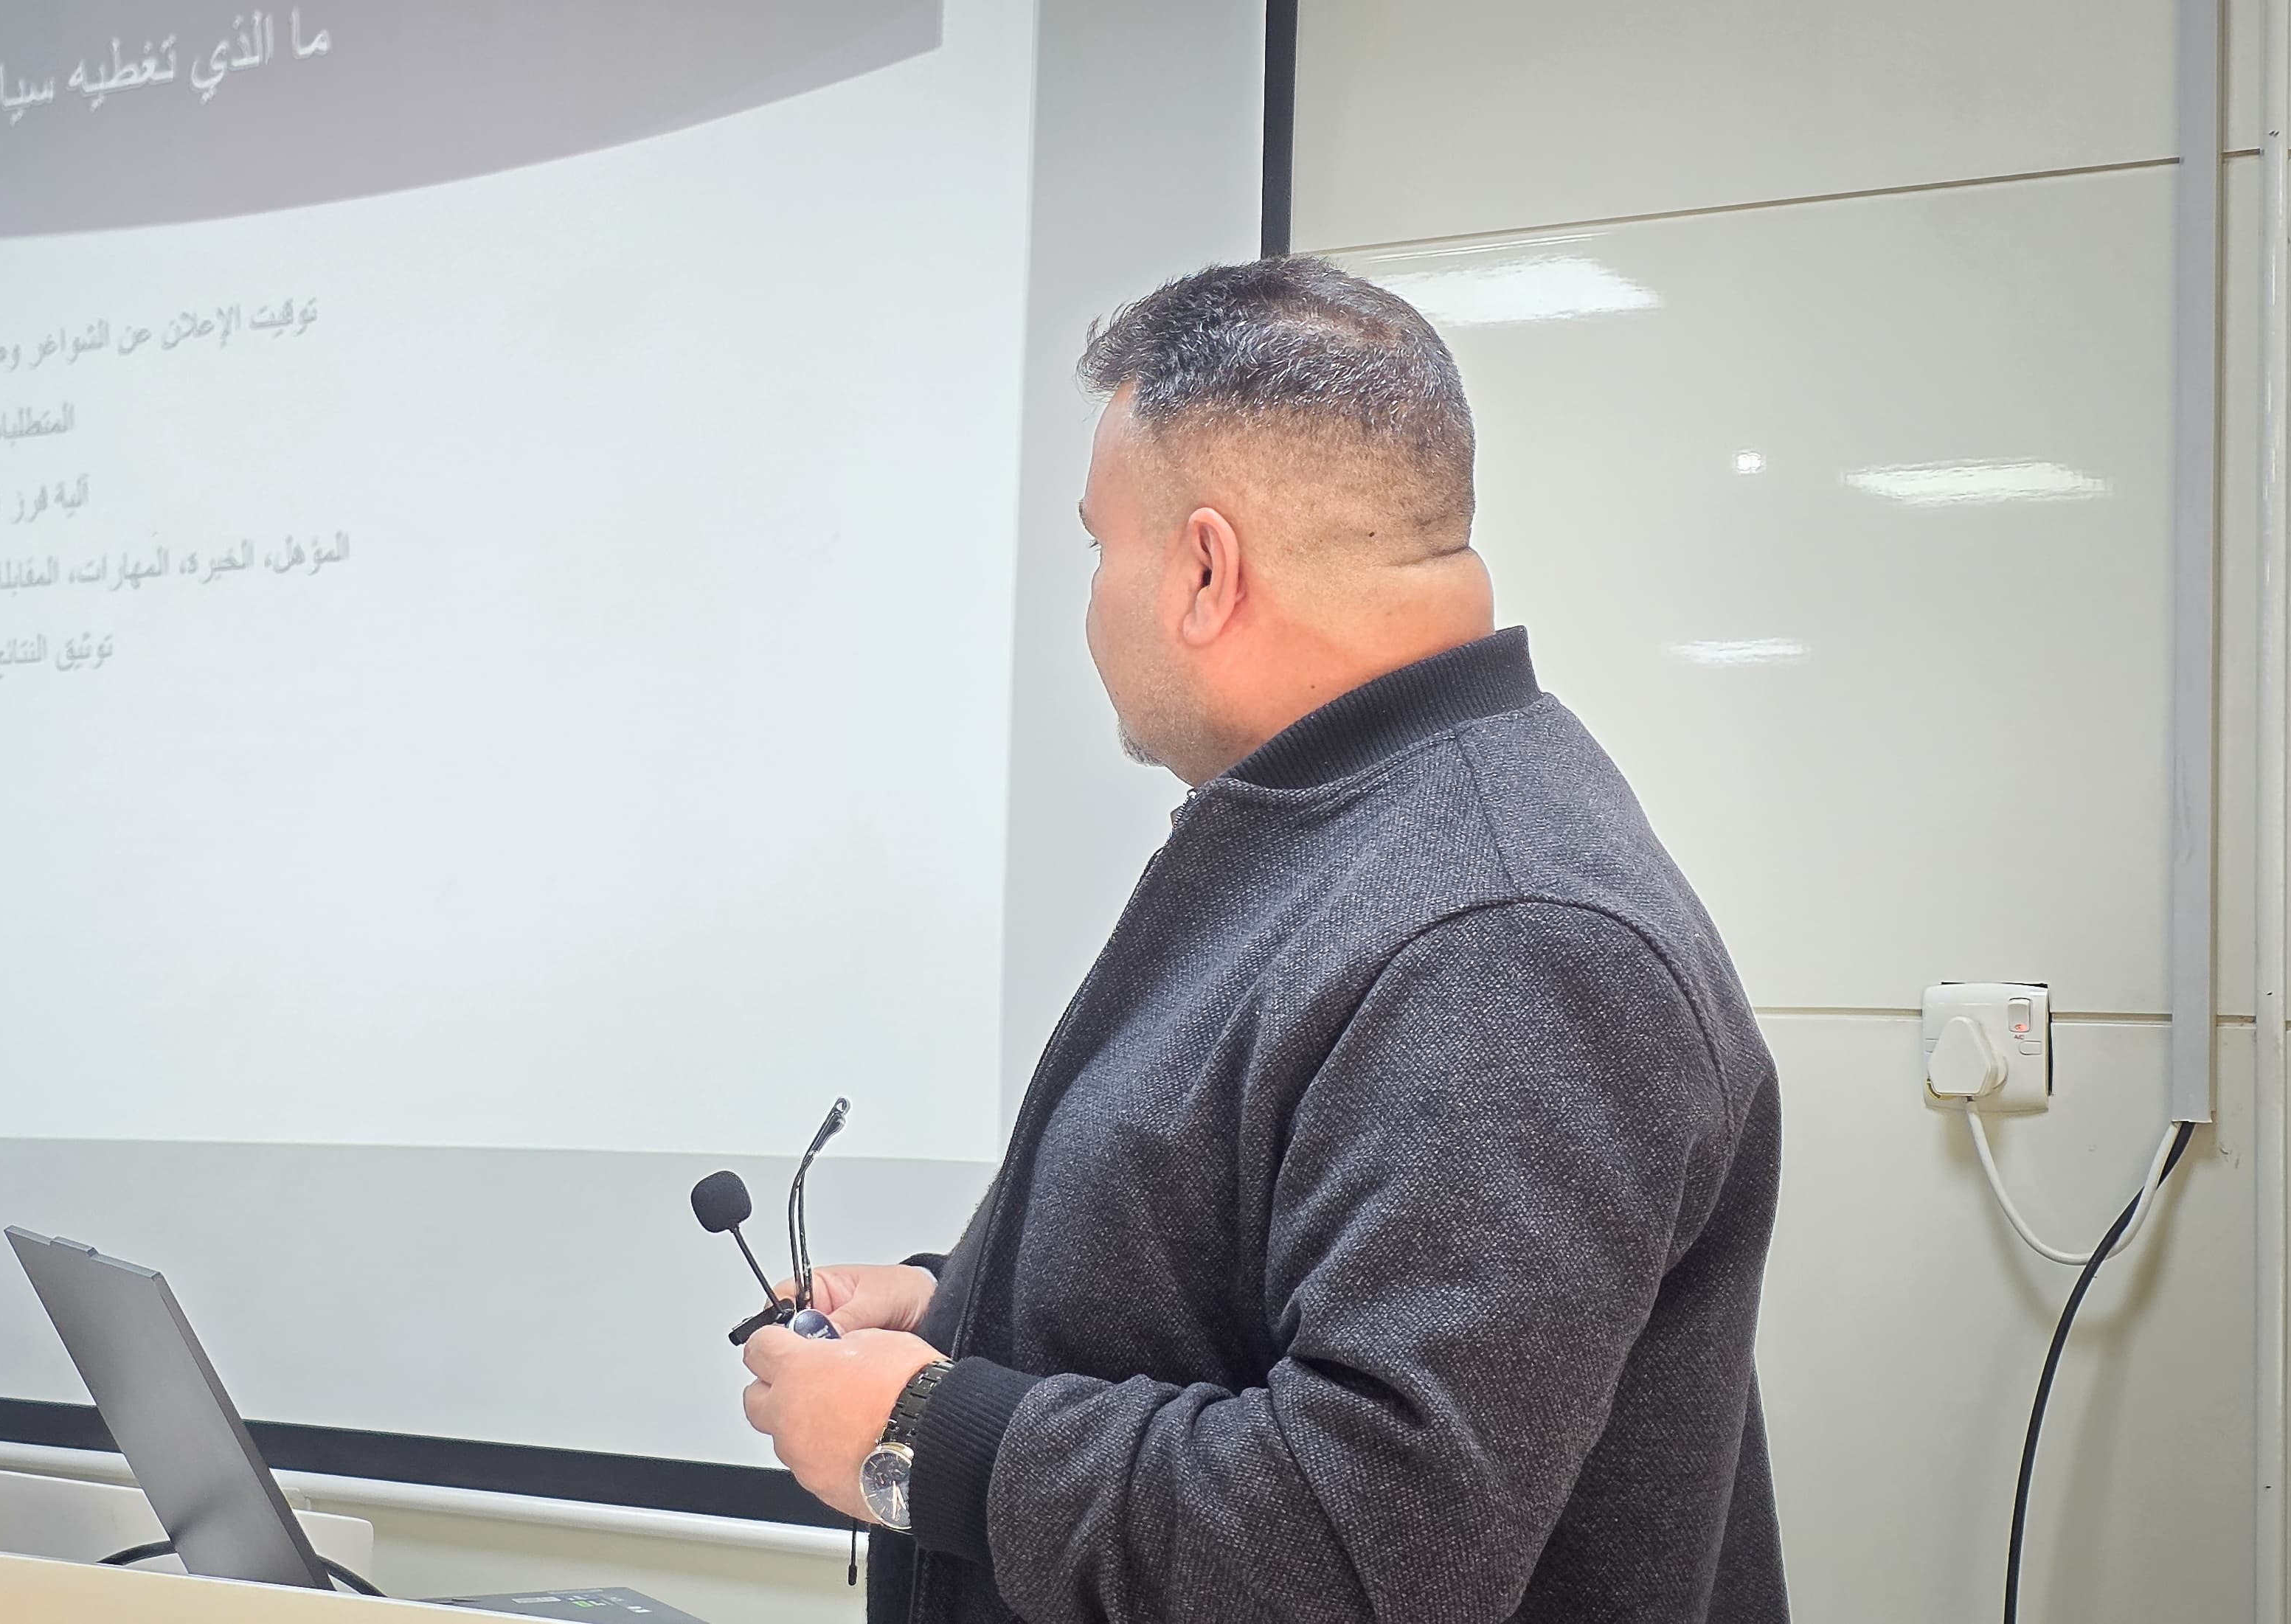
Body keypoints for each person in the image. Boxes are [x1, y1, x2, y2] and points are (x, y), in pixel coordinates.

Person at [736, 258, 1787, 1624]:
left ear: (1205, 570)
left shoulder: (1505, 935)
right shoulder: (1351, 837)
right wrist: (961, 1311)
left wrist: (926, 1434)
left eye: (1099, 548)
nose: (1092, 600)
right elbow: (1252, 1285)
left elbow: (1359, 1552)